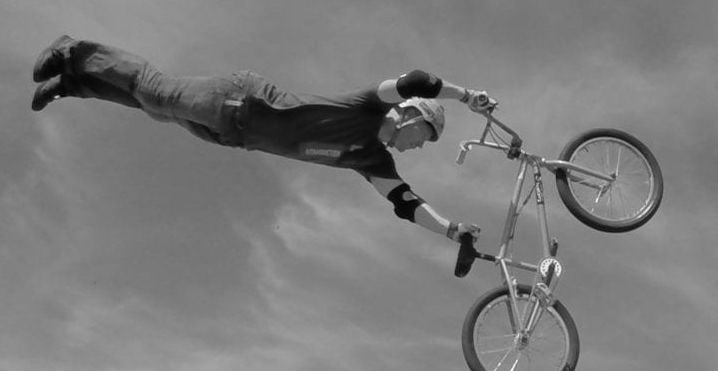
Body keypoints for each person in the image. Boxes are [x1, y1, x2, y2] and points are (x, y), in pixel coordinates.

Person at [30, 35, 497, 243]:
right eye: (427, 135)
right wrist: (465, 96)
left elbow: (406, 203)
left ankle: (72, 83)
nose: (421, 147)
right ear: (412, 115)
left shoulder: (371, 159)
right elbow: (417, 78)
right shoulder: (368, 105)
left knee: (154, 108)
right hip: (239, 101)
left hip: (231, 135)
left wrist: (452, 229)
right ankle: (73, 51)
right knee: (156, 90)